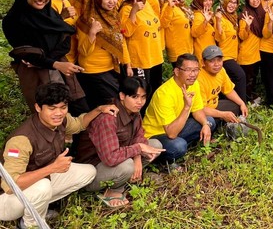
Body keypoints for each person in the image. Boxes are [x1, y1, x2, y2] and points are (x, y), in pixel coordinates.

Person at [0, 83, 117, 228]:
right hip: (6, 200)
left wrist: (100, 109)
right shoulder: (21, 140)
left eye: (63, 107)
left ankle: (39, 207)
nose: (58, 113)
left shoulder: (61, 121)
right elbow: (11, 185)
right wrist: (52, 168)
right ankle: (30, 224)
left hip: (38, 180)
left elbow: (79, 124)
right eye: (51, 108)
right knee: (42, 186)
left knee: (88, 172)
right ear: (38, 107)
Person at [3, 0, 87, 115]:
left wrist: (48, 61)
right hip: (36, 75)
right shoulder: (13, 21)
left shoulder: (50, 14)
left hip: (61, 66)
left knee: (78, 108)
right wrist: (53, 63)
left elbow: (65, 39)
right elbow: (25, 53)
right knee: (51, 113)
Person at [76, 77, 164, 207]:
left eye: (143, 97)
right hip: (94, 169)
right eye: (135, 97)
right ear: (122, 96)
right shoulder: (108, 117)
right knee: (128, 165)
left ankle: (127, 178)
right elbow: (111, 158)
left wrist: (138, 158)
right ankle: (113, 190)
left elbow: (139, 135)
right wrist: (138, 149)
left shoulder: (134, 110)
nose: (140, 102)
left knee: (155, 145)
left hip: (119, 157)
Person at [142, 54, 215, 165]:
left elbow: (197, 110)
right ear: (176, 71)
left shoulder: (194, 84)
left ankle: (189, 142)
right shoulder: (164, 93)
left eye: (196, 70)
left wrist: (205, 124)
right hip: (158, 135)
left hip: (178, 127)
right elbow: (171, 133)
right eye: (189, 70)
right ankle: (159, 158)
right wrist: (186, 107)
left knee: (210, 121)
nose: (193, 75)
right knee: (178, 146)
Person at [76, 0, 131, 108]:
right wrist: (92, 33)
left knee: (113, 105)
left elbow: (120, 41)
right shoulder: (86, 20)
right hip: (94, 72)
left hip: (112, 68)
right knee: (107, 107)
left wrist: (127, 64)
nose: (111, 1)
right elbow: (83, 51)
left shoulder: (114, 16)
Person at [119, 0, 164, 96]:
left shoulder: (147, 4)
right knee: (141, 94)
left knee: (155, 91)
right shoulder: (126, 8)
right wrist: (134, 11)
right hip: (139, 60)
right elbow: (125, 32)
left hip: (155, 57)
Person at [197, 45, 249, 125]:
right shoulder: (198, 79)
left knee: (237, 107)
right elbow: (200, 109)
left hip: (215, 105)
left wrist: (242, 103)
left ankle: (221, 120)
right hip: (203, 110)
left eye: (219, 60)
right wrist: (222, 114)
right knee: (210, 121)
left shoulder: (221, 71)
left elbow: (229, 91)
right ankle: (217, 122)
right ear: (203, 62)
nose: (216, 64)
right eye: (211, 61)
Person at [214, 0, 247, 102]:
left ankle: (229, 105)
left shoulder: (232, 17)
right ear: (224, 2)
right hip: (224, 55)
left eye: (234, 2)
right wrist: (218, 21)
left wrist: (247, 25)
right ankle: (242, 104)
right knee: (240, 76)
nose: (232, 5)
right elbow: (219, 38)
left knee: (227, 82)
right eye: (230, 2)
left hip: (233, 55)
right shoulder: (220, 18)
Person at [238, 0, 265, 102]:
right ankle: (246, 101)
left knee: (253, 78)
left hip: (256, 53)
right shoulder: (245, 15)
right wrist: (248, 26)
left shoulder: (260, 12)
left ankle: (249, 98)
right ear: (247, 1)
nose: (254, 0)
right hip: (247, 54)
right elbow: (242, 36)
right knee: (247, 79)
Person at [161, 0, 194, 65]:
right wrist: (169, 7)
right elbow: (163, 24)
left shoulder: (182, 6)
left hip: (187, 47)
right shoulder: (168, 5)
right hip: (177, 50)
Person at [190, 0, 216, 66]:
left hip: (210, 53)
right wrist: (205, 21)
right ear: (199, 2)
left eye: (210, 0)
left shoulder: (207, 14)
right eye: (205, 0)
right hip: (203, 54)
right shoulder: (198, 15)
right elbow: (194, 33)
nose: (208, 3)